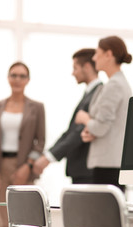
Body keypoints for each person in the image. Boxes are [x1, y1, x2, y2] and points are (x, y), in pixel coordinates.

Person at [0, 61, 45, 227]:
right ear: (8, 78)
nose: (17, 79)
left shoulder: (37, 107)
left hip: (24, 168)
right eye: (14, 75)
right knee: (3, 223)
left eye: (22, 76)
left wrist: (28, 165)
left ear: (28, 80)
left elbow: (40, 141)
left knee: (26, 222)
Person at [33, 48, 102, 183]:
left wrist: (49, 157)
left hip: (87, 172)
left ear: (87, 67)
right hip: (82, 170)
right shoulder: (89, 94)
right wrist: (48, 155)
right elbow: (70, 131)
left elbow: (78, 133)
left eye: (75, 68)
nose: (73, 73)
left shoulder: (97, 94)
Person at [75, 36, 133, 191]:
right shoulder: (115, 83)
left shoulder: (114, 85)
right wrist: (91, 130)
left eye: (97, 53)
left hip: (108, 165)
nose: (94, 58)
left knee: (106, 214)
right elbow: (107, 124)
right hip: (110, 163)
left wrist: (85, 119)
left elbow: (100, 127)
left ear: (109, 55)